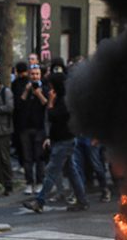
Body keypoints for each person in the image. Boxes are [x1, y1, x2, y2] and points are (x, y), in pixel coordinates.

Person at [22, 74, 88, 214]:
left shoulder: (64, 101)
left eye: (52, 85)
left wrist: (50, 102)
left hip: (65, 141)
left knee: (51, 171)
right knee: (72, 172)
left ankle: (40, 201)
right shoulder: (61, 99)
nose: (50, 88)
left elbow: (53, 116)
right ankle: (82, 200)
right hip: (62, 140)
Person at [17, 65, 48, 194]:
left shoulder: (45, 88)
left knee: (39, 157)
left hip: (39, 128)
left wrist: (38, 94)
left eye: (37, 74)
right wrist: (26, 91)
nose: (35, 76)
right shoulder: (24, 88)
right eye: (32, 74)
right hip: (26, 128)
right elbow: (19, 104)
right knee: (27, 157)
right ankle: (29, 182)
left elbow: (46, 104)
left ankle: (40, 182)